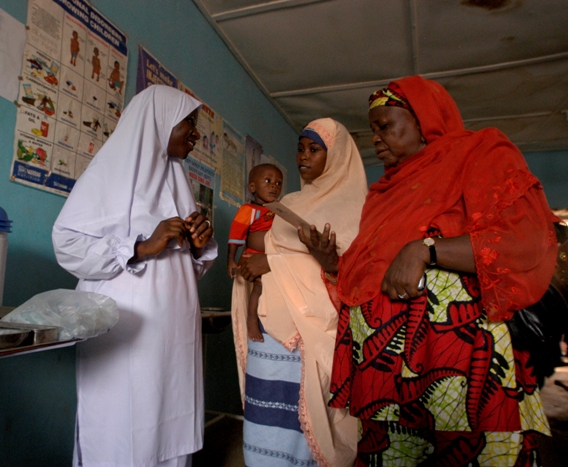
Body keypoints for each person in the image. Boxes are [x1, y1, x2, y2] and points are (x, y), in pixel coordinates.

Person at [325, 76, 558, 465]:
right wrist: (334, 263)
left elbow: (523, 239)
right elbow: (372, 271)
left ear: (422, 119)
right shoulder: (382, 194)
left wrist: (428, 249)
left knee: (469, 453)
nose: (375, 139)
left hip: (459, 365)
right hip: (384, 377)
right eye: (372, 130)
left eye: (385, 126)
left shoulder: (478, 153)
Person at [52, 85, 217, 467]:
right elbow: (67, 244)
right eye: (187, 123)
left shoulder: (177, 179)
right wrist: (141, 246)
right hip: (126, 330)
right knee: (122, 426)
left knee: (169, 424)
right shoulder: (110, 172)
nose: (195, 134)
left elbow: (189, 267)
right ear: (158, 123)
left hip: (173, 334)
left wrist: (197, 245)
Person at [234, 118, 367, 466]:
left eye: (315, 149)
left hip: (309, 334)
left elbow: (354, 272)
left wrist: (273, 263)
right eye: (300, 148)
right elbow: (271, 248)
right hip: (270, 326)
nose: (303, 157)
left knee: (304, 418)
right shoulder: (291, 201)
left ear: (335, 156)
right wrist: (267, 261)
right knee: (265, 410)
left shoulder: (356, 206)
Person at [227, 163, 284, 342]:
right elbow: (236, 235)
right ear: (252, 187)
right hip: (252, 257)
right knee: (258, 287)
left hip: (272, 261)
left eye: (278, 183)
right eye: (268, 181)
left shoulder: (278, 210)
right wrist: (231, 260)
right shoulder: (248, 210)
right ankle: (252, 319)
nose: (274, 186)